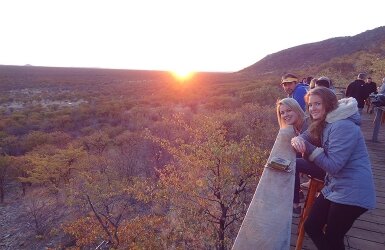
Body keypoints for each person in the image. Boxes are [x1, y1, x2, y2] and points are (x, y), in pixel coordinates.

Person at [291, 87, 376, 249]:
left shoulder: (342, 126)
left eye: (317, 104)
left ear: (329, 104)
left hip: (353, 190)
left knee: (333, 237)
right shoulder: (326, 122)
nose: (312, 108)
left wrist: (307, 148)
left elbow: (334, 166)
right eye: (310, 105)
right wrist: (297, 140)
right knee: (312, 226)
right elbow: (305, 137)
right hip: (335, 186)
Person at [276, 98, 323, 217]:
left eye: (289, 110)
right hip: (317, 163)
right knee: (289, 161)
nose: (285, 115)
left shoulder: (308, 124)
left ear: (297, 109)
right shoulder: (297, 126)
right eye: (282, 112)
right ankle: (297, 195)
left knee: (292, 164)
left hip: (326, 168)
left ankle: (295, 203)